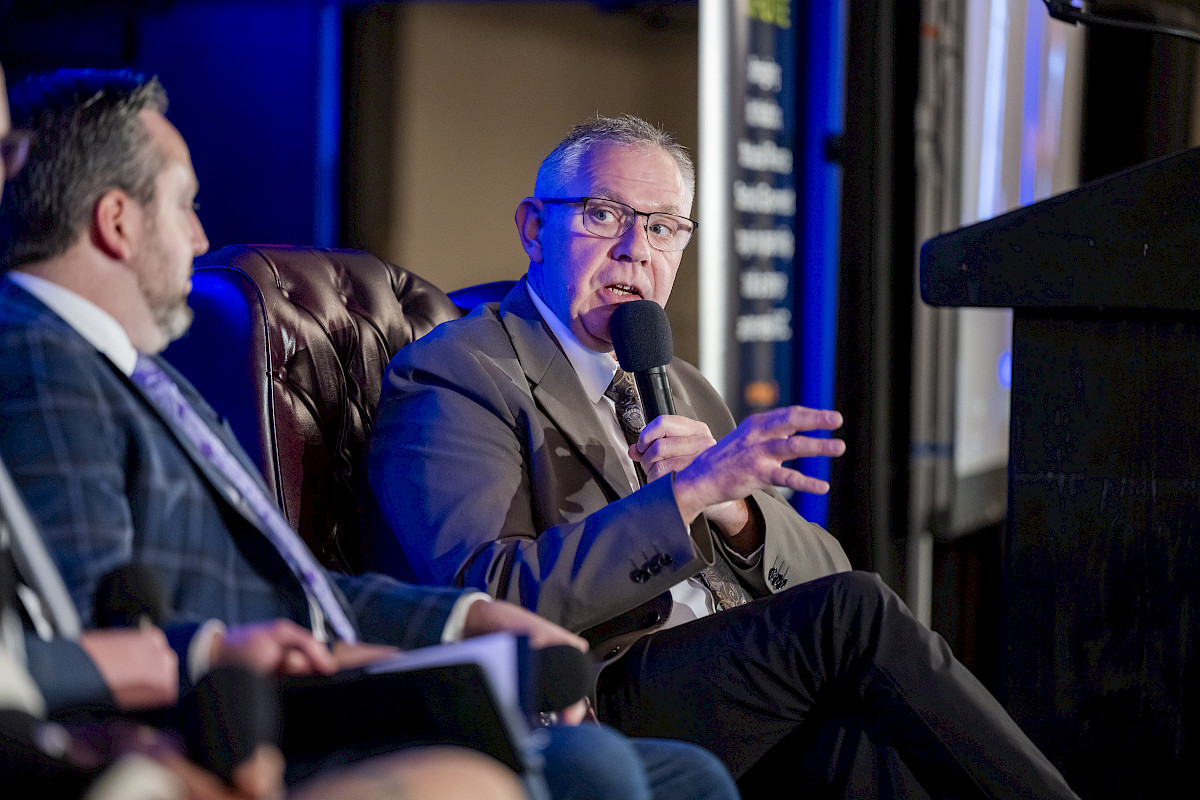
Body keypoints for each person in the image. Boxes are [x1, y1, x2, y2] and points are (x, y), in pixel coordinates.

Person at [0, 68, 739, 800]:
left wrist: (470, 620)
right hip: (228, 720)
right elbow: (96, 627)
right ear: (118, 221)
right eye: (186, 205)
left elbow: (300, 588)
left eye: (663, 228)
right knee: (598, 767)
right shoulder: (43, 361)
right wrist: (223, 654)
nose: (200, 238)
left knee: (690, 777)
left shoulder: (137, 374)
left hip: (307, 677)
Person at [364, 114, 1081, 799]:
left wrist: (737, 510)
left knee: (863, 744)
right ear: (534, 229)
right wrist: (681, 498)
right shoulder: (460, 371)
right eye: (603, 215)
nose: (635, 249)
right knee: (853, 615)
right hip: (590, 694)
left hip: (718, 675)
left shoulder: (681, 384)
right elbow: (485, 593)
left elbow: (824, 576)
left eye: (662, 227)